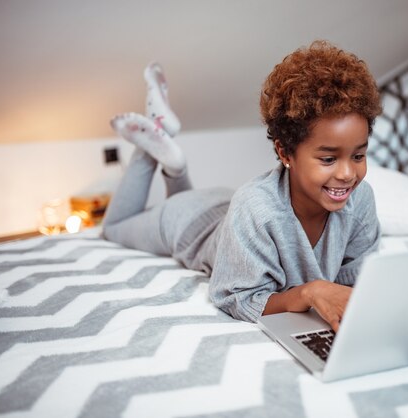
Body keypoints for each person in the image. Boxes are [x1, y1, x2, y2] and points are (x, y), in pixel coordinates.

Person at [103, 40, 382, 331]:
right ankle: (149, 145)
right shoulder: (257, 209)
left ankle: (174, 165)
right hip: (190, 221)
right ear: (286, 153)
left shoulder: (360, 200)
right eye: (328, 159)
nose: (348, 173)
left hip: (229, 209)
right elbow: (236, 297)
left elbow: (357, 282)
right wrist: (310, 291)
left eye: (358, 155)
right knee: (114, 227)